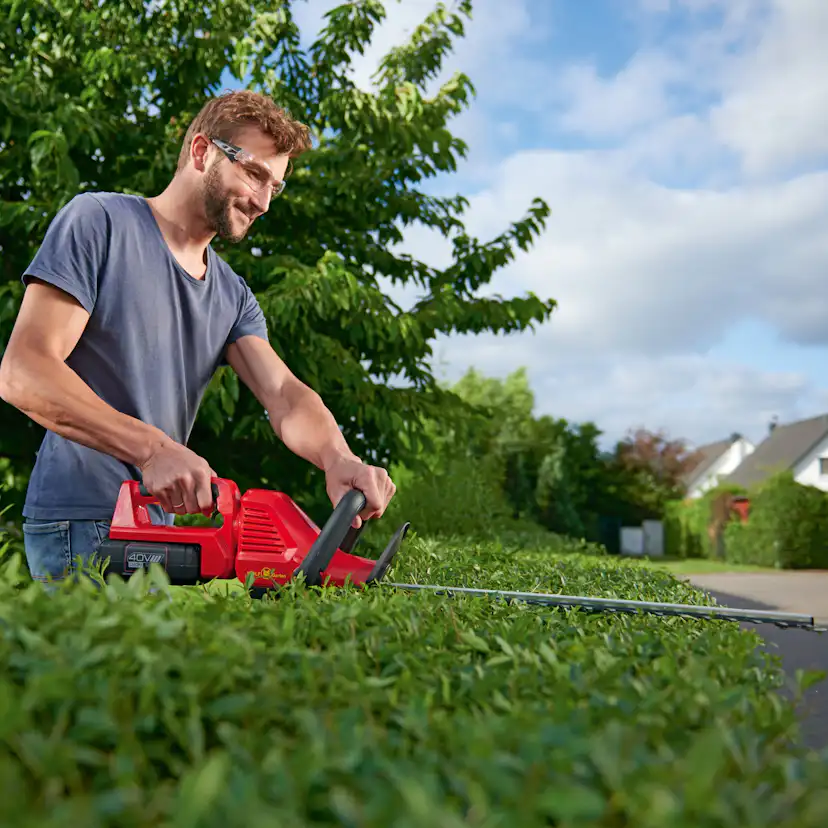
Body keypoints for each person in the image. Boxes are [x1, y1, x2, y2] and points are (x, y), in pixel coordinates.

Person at [0, 90, 396, 587]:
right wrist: (152, 450)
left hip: (153, 527)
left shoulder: (231, 294)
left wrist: (339, 458)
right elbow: (24, 372)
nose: (264, 201)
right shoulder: (99, 223)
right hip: (79, 518)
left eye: (276, 185)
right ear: (203, 151)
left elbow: (284, 395)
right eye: (254, 174)